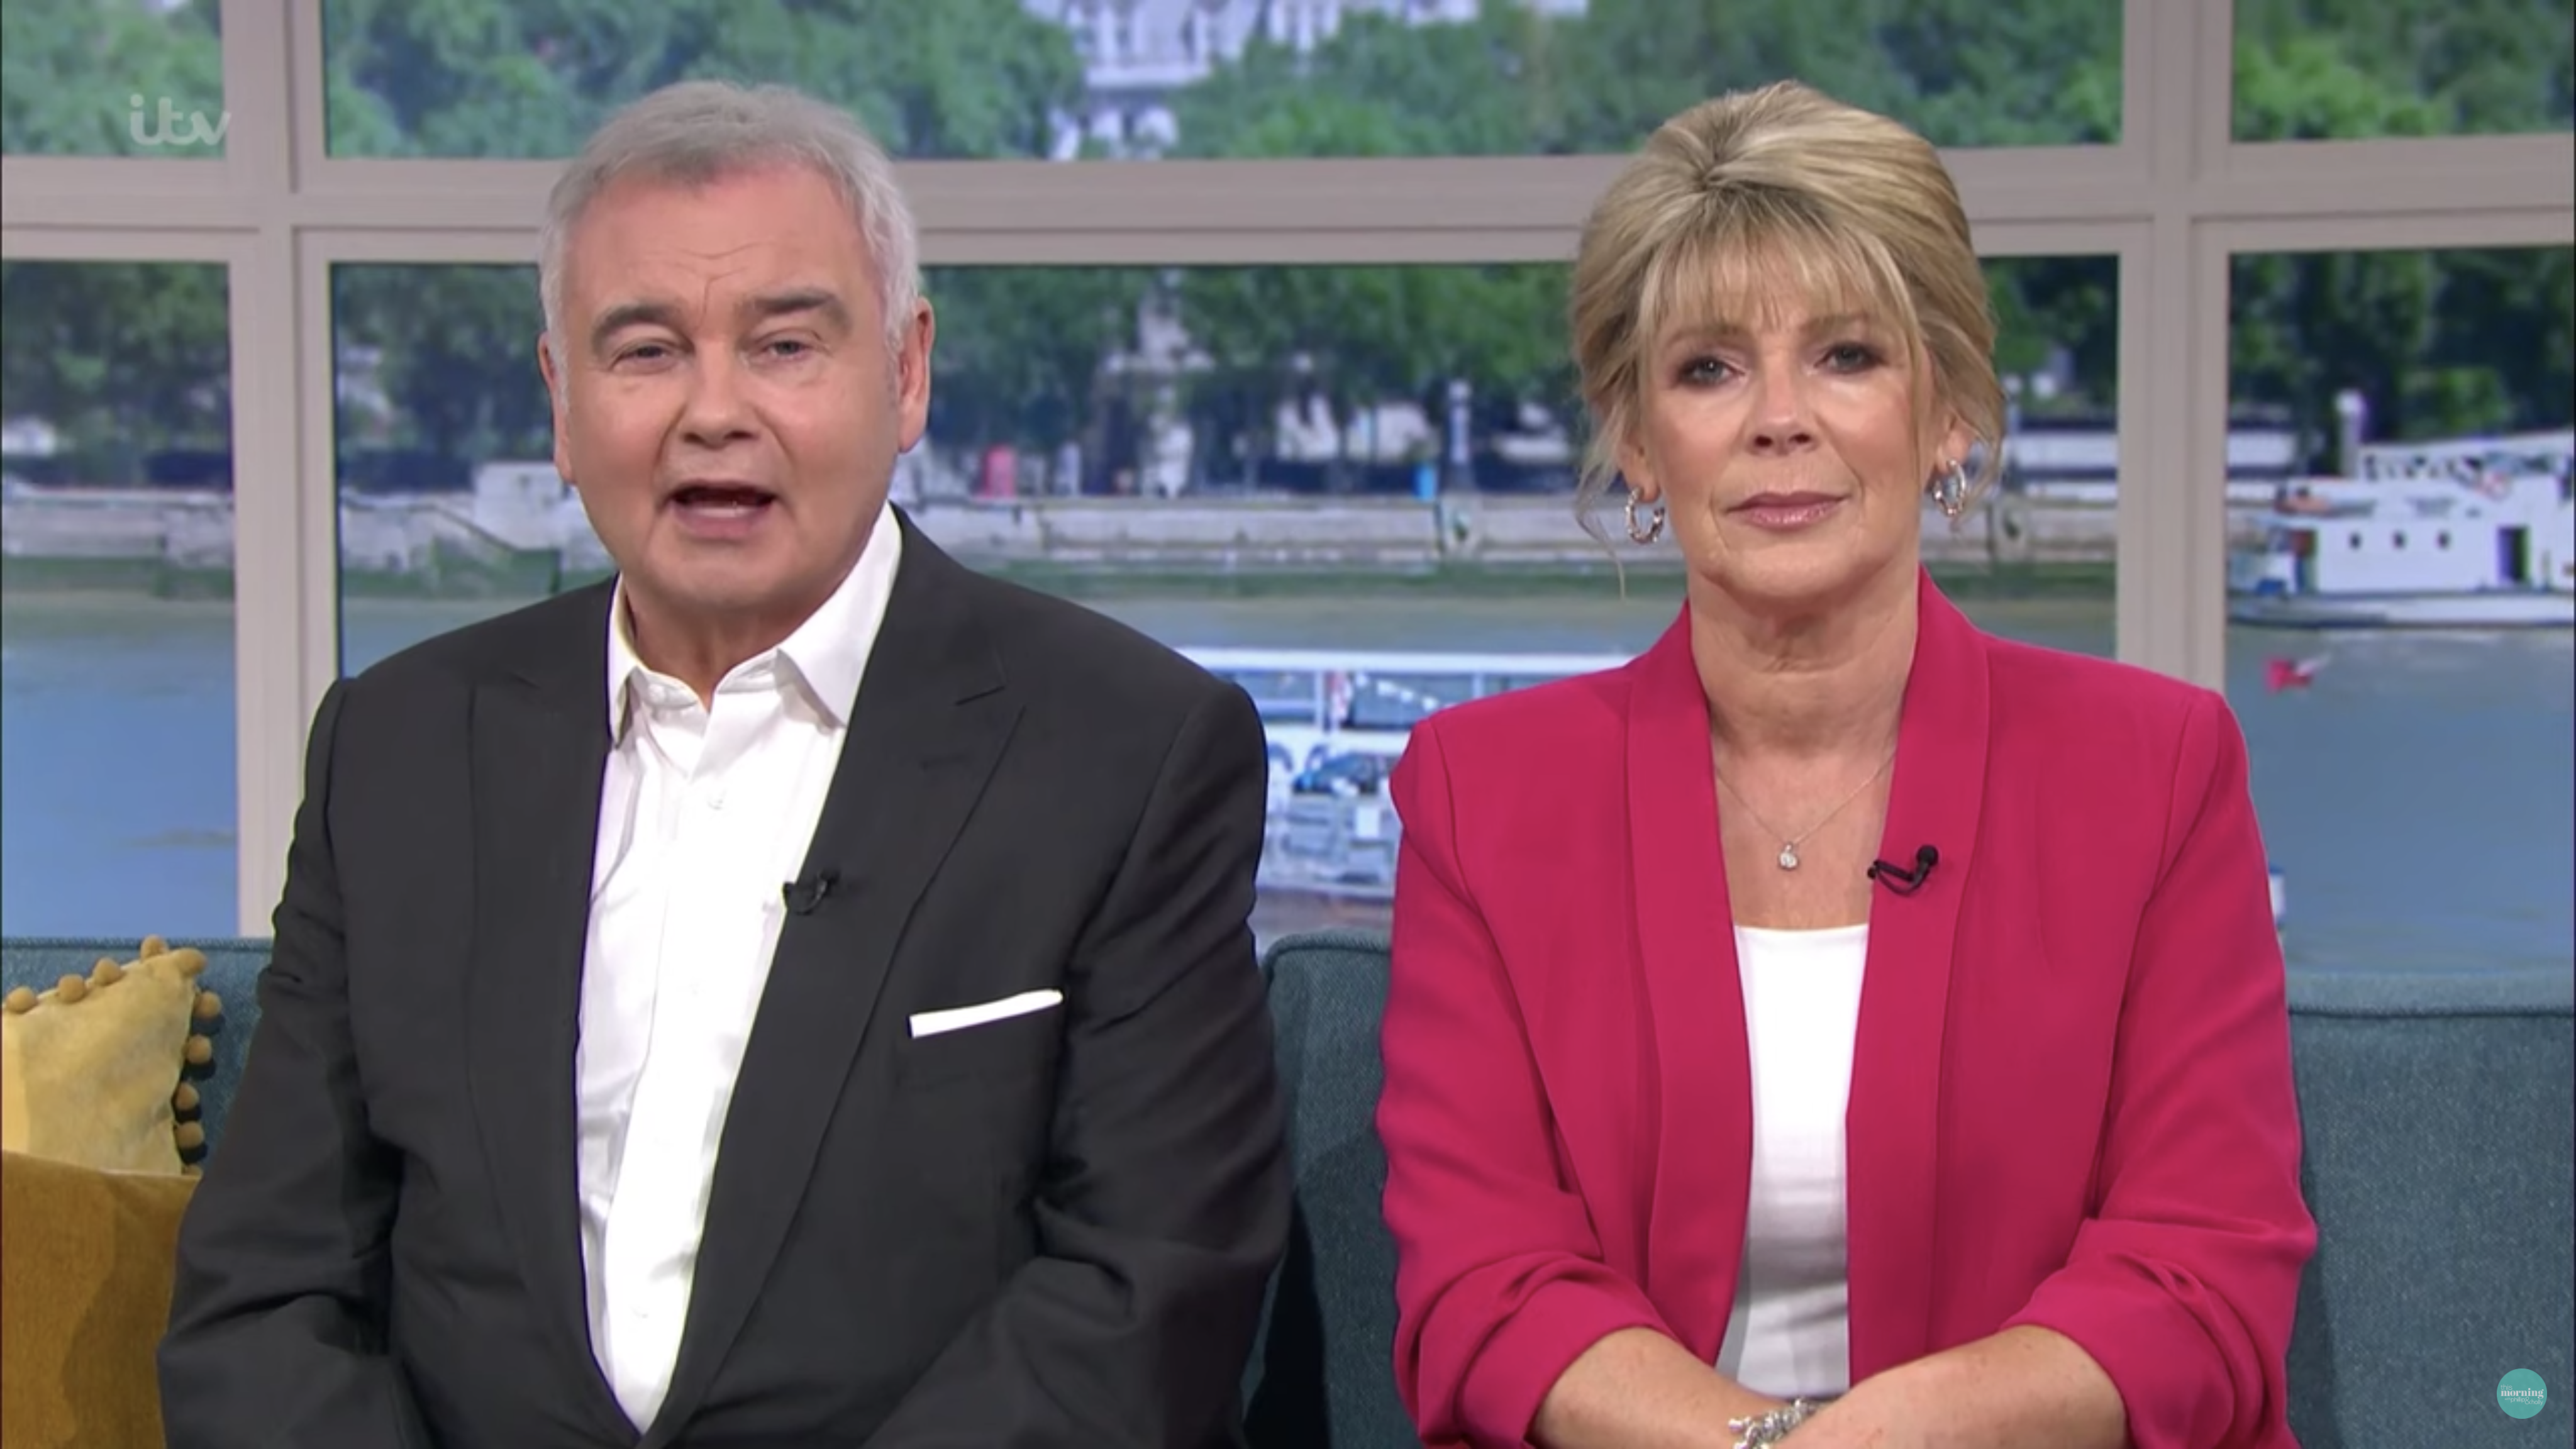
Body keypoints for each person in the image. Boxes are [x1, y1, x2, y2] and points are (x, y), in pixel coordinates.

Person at [159, 80, 1289, 1448]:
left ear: (908, 370)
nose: (713, 411)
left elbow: (1143, 1300)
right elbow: (265, 1298)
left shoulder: (1129, 752)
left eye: (784, 346)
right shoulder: (394, 751)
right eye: (643, 352)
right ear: (560, 404)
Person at [1375, 81, 2315, 1449]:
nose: (1776, 419)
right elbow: (1486, 1287)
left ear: (1945, 413)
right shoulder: (1481, 794)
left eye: (1845, 356)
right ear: (1638, 440)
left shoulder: (2154, 772)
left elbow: (2196, 1274)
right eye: (1707, 367)